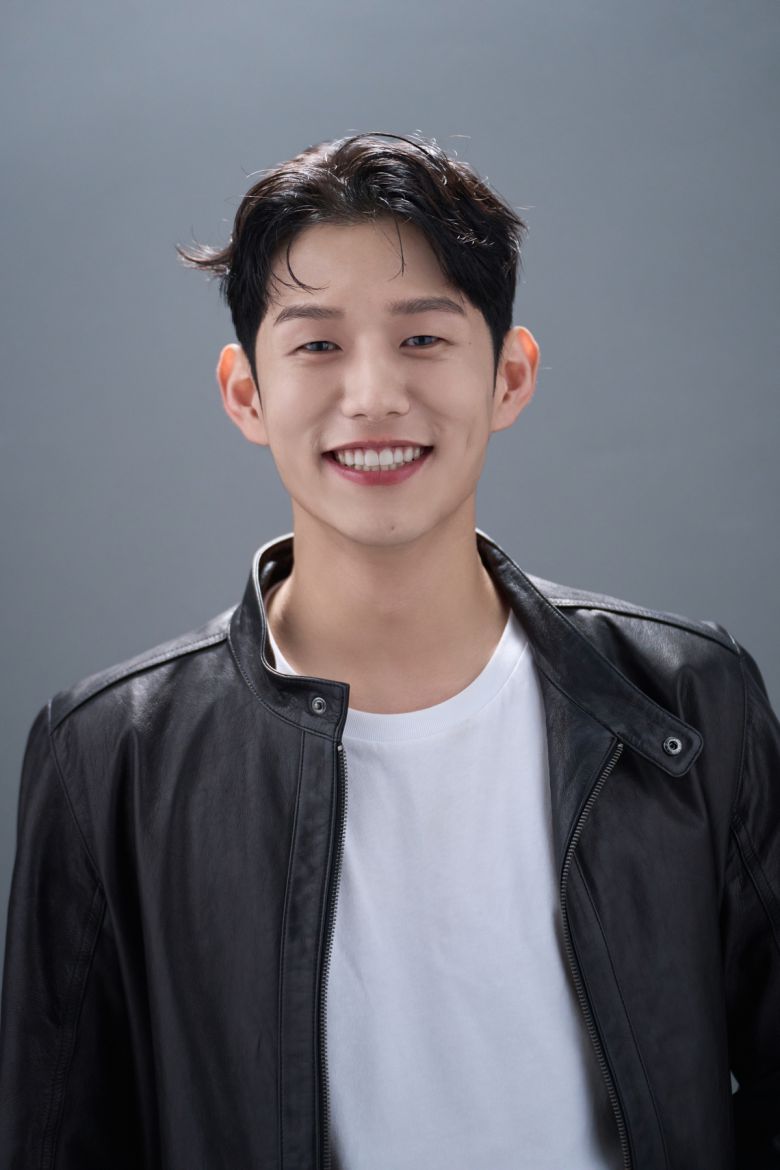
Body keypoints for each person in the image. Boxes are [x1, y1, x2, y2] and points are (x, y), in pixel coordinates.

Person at [0, 130, 778, 1170]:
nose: (372, 395)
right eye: (317, 346)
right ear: (245, 393)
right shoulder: (108, 757)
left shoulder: (691, 701)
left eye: (422, 337)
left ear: (510, 375)